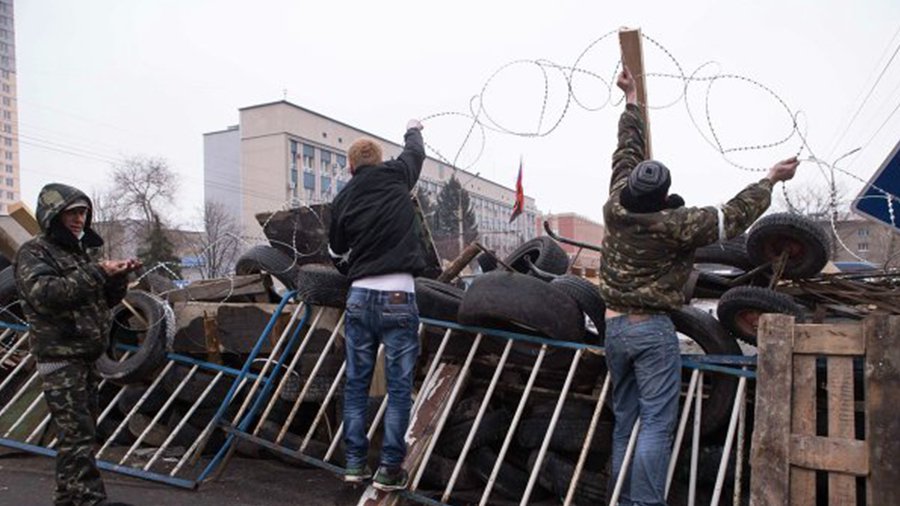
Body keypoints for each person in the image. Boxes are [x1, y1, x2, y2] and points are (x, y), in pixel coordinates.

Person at [600, 67, 799, 505]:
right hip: (650, 330)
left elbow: (625, 151)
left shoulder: (615, 203)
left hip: (613, 328)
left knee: (626, 421)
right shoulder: (677, 224)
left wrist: (630, 99)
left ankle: (620, 499)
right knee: (655, 424)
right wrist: (770, 178)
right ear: (663, 197)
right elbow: (735, 215)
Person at [15, 183, 141, 506]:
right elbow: (47, 295)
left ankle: (68, 497)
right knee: (76, 434)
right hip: (60, 359)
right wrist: (97, 272)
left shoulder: (78, 253)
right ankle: (88, 499)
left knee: (80, 435)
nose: (79, 219)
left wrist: (117, 279)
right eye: (71, 213)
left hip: (85, 358)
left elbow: (101, 302)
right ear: (52, 215)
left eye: (83, 213)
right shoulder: (34, 252)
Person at [328, 119, 427, 491]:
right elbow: (415, 152)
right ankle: (389, 469)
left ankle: (354, 464)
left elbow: (336, 251)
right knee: (399, 388)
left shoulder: (343, 199)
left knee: (356, 384)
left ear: (350, 167)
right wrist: (413, 128)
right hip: (399, 295)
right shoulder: (397, 174)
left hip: (359, 296)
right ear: (380, 161)